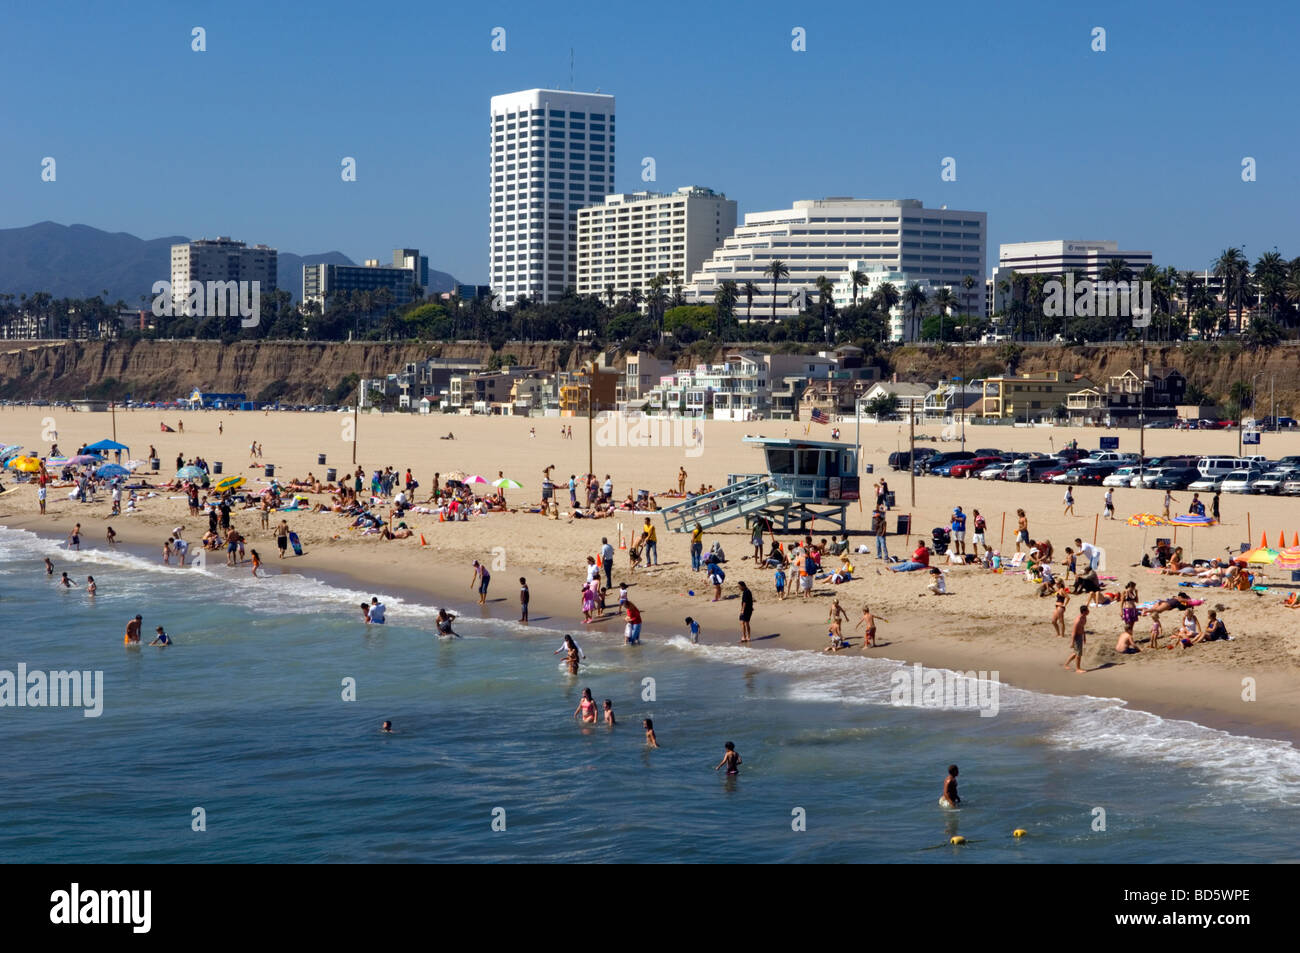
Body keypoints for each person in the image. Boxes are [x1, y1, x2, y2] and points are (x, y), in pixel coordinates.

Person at [1065, 606, 1088, 673]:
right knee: (1078, 654)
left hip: (1080, 636)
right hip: (1076, 637)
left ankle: (1066, 664)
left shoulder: (1084, 618)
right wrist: (1072, 643)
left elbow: (1082, 627)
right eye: (1087, 610)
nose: (1088, 611)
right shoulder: (1078, 620)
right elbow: (1073, 632)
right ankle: (1078, 669)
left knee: (1076, 653)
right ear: (1084, 611)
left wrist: (1084, 637)